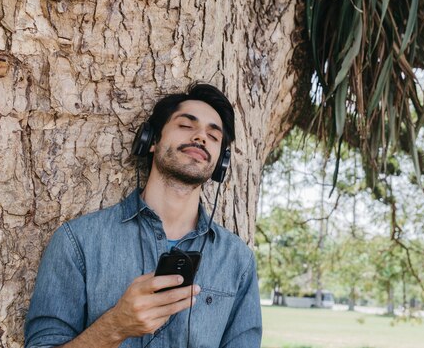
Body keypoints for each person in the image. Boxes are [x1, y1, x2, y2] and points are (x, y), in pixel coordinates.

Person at [24, 83, 262, 348]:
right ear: (150, 140)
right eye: (186, 125)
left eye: (213, 136)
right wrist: (115, 326)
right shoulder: (77, 242)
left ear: (221, 163)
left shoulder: (237, 261)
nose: (200, 137)